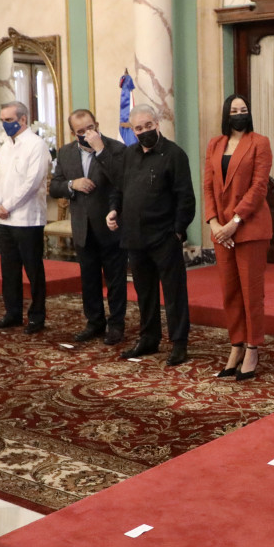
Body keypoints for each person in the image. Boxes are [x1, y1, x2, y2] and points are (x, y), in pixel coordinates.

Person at [107, 104, 195, 367]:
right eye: (138, 128)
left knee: (174, 293)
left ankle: (179, 342)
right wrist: (113, 210)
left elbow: (185, 198)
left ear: (157, 124)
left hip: (165, 237)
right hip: (134, 237)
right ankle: (149, 338)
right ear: (132, 131)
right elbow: (118, 189)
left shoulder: (174, 154)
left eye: (148, 125)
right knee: (144, 292)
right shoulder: (129, 155)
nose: (144, 131)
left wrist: (177, 231)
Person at [202, 94, 272, 380]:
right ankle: (236, 345)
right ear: (226, 114)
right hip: (222, 231)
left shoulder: (260, 143)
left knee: (251, 292)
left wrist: (234, 222)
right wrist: (214, 223)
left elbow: (259, 187)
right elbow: (208, 186)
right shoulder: (215, 144)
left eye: (243, 109)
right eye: (234, 110)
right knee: (230, 292)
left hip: (249, 228)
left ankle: (252, 347)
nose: (239, 114)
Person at [50, 109, 127, 345]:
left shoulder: (116, 148)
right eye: (81, 131)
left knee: (115, 279)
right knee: (89, 278)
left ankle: (116, 324)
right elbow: (54, 187)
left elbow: (120, 183)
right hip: (82, 226)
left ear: (97, 125)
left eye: (90, 128)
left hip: (110, 225)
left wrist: (100, 151)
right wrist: (72, 184)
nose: (87, 134)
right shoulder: (65, 153)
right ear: (73, 133)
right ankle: (94, 322)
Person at [0, 101, 51, 334]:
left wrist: (8, 205)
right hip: (5, 218)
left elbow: (32, 183)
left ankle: (37, 316)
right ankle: (12, 313)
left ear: (23, 120)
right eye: (2, 120)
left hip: (27, 218)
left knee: (33, 270)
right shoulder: (6, 145)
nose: (5, 124)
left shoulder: (36, 145)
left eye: (9, 120)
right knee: (9, 269)